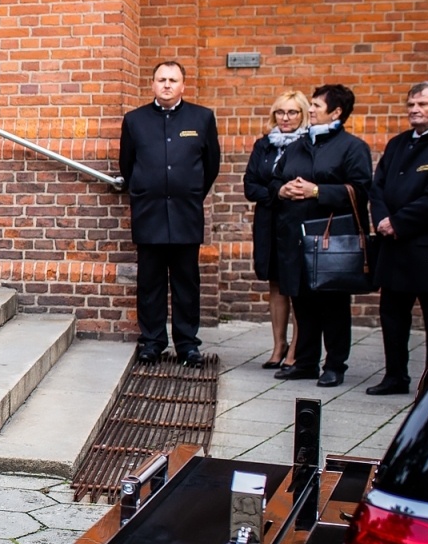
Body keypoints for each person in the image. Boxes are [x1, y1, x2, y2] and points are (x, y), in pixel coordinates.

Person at [119, 60, 221, 366]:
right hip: (149, 213)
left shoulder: (201, 118)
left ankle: (187, 344)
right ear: (152, 84)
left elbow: (211, 165)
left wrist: (189, 193)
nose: (166, 84)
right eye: (161, 79)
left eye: (173, 80)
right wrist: (143, 192)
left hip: (185, 213)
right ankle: (152, 342)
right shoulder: (135, 120)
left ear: (182, 85)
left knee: (186, 283)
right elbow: (128, 164)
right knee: (149, 282)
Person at [271, 83, 373, 388]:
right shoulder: (297, 145)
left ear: (336, 112)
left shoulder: (353, 148)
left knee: (333, 304)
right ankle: (305, 362)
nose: (310, 110)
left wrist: (318, 191)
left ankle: (335, 364)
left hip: (331, 238)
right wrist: (282, 189)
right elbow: (274, 181)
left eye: (316, 105)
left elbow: (361, 189)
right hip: (296, 236)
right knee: (302, 301)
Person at [367, 81, 428, 395]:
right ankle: (395, 377)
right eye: (411, 104)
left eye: (422, 104)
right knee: (392, 315)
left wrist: (398, 222)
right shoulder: (397, 144)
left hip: (427, 249)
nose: (415, 110)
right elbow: (377, 187)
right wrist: (382, 220)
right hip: (393, 248)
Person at [242, 92, 309, 369]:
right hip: (269, 220)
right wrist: (277, 191)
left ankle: (297, 347)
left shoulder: (309, 145)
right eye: (280, 112)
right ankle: (279, 344)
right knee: (276, 282)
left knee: (299, 284)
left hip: (298, 221)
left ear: (303, 115)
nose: (286, 118)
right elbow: (250, 185)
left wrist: (283, 190)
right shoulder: (265, 145)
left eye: (292, 112)